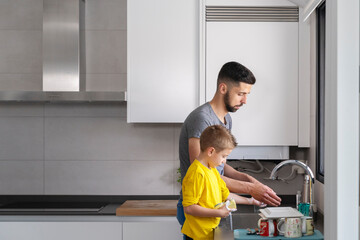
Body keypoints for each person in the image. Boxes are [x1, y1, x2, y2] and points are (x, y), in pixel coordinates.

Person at [177, 61, 281, 227]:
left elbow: (219, 166)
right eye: (241, 94)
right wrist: (250, 189)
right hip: (198, 208)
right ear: (223, 88)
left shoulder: (226, 120)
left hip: (214, 205)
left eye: (247, 94)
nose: (245, 100)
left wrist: (251, 180)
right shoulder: (201, 119)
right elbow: (203, 173)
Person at [182, 125, 263, 240]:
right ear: (211, 151)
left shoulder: (212, 170)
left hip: (210, 233)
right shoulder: (197, 173)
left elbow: (226, 195)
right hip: (198, 236)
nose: (224, 161)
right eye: (224, 156)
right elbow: (189, 208)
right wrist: (218, 213)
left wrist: (251, 201)